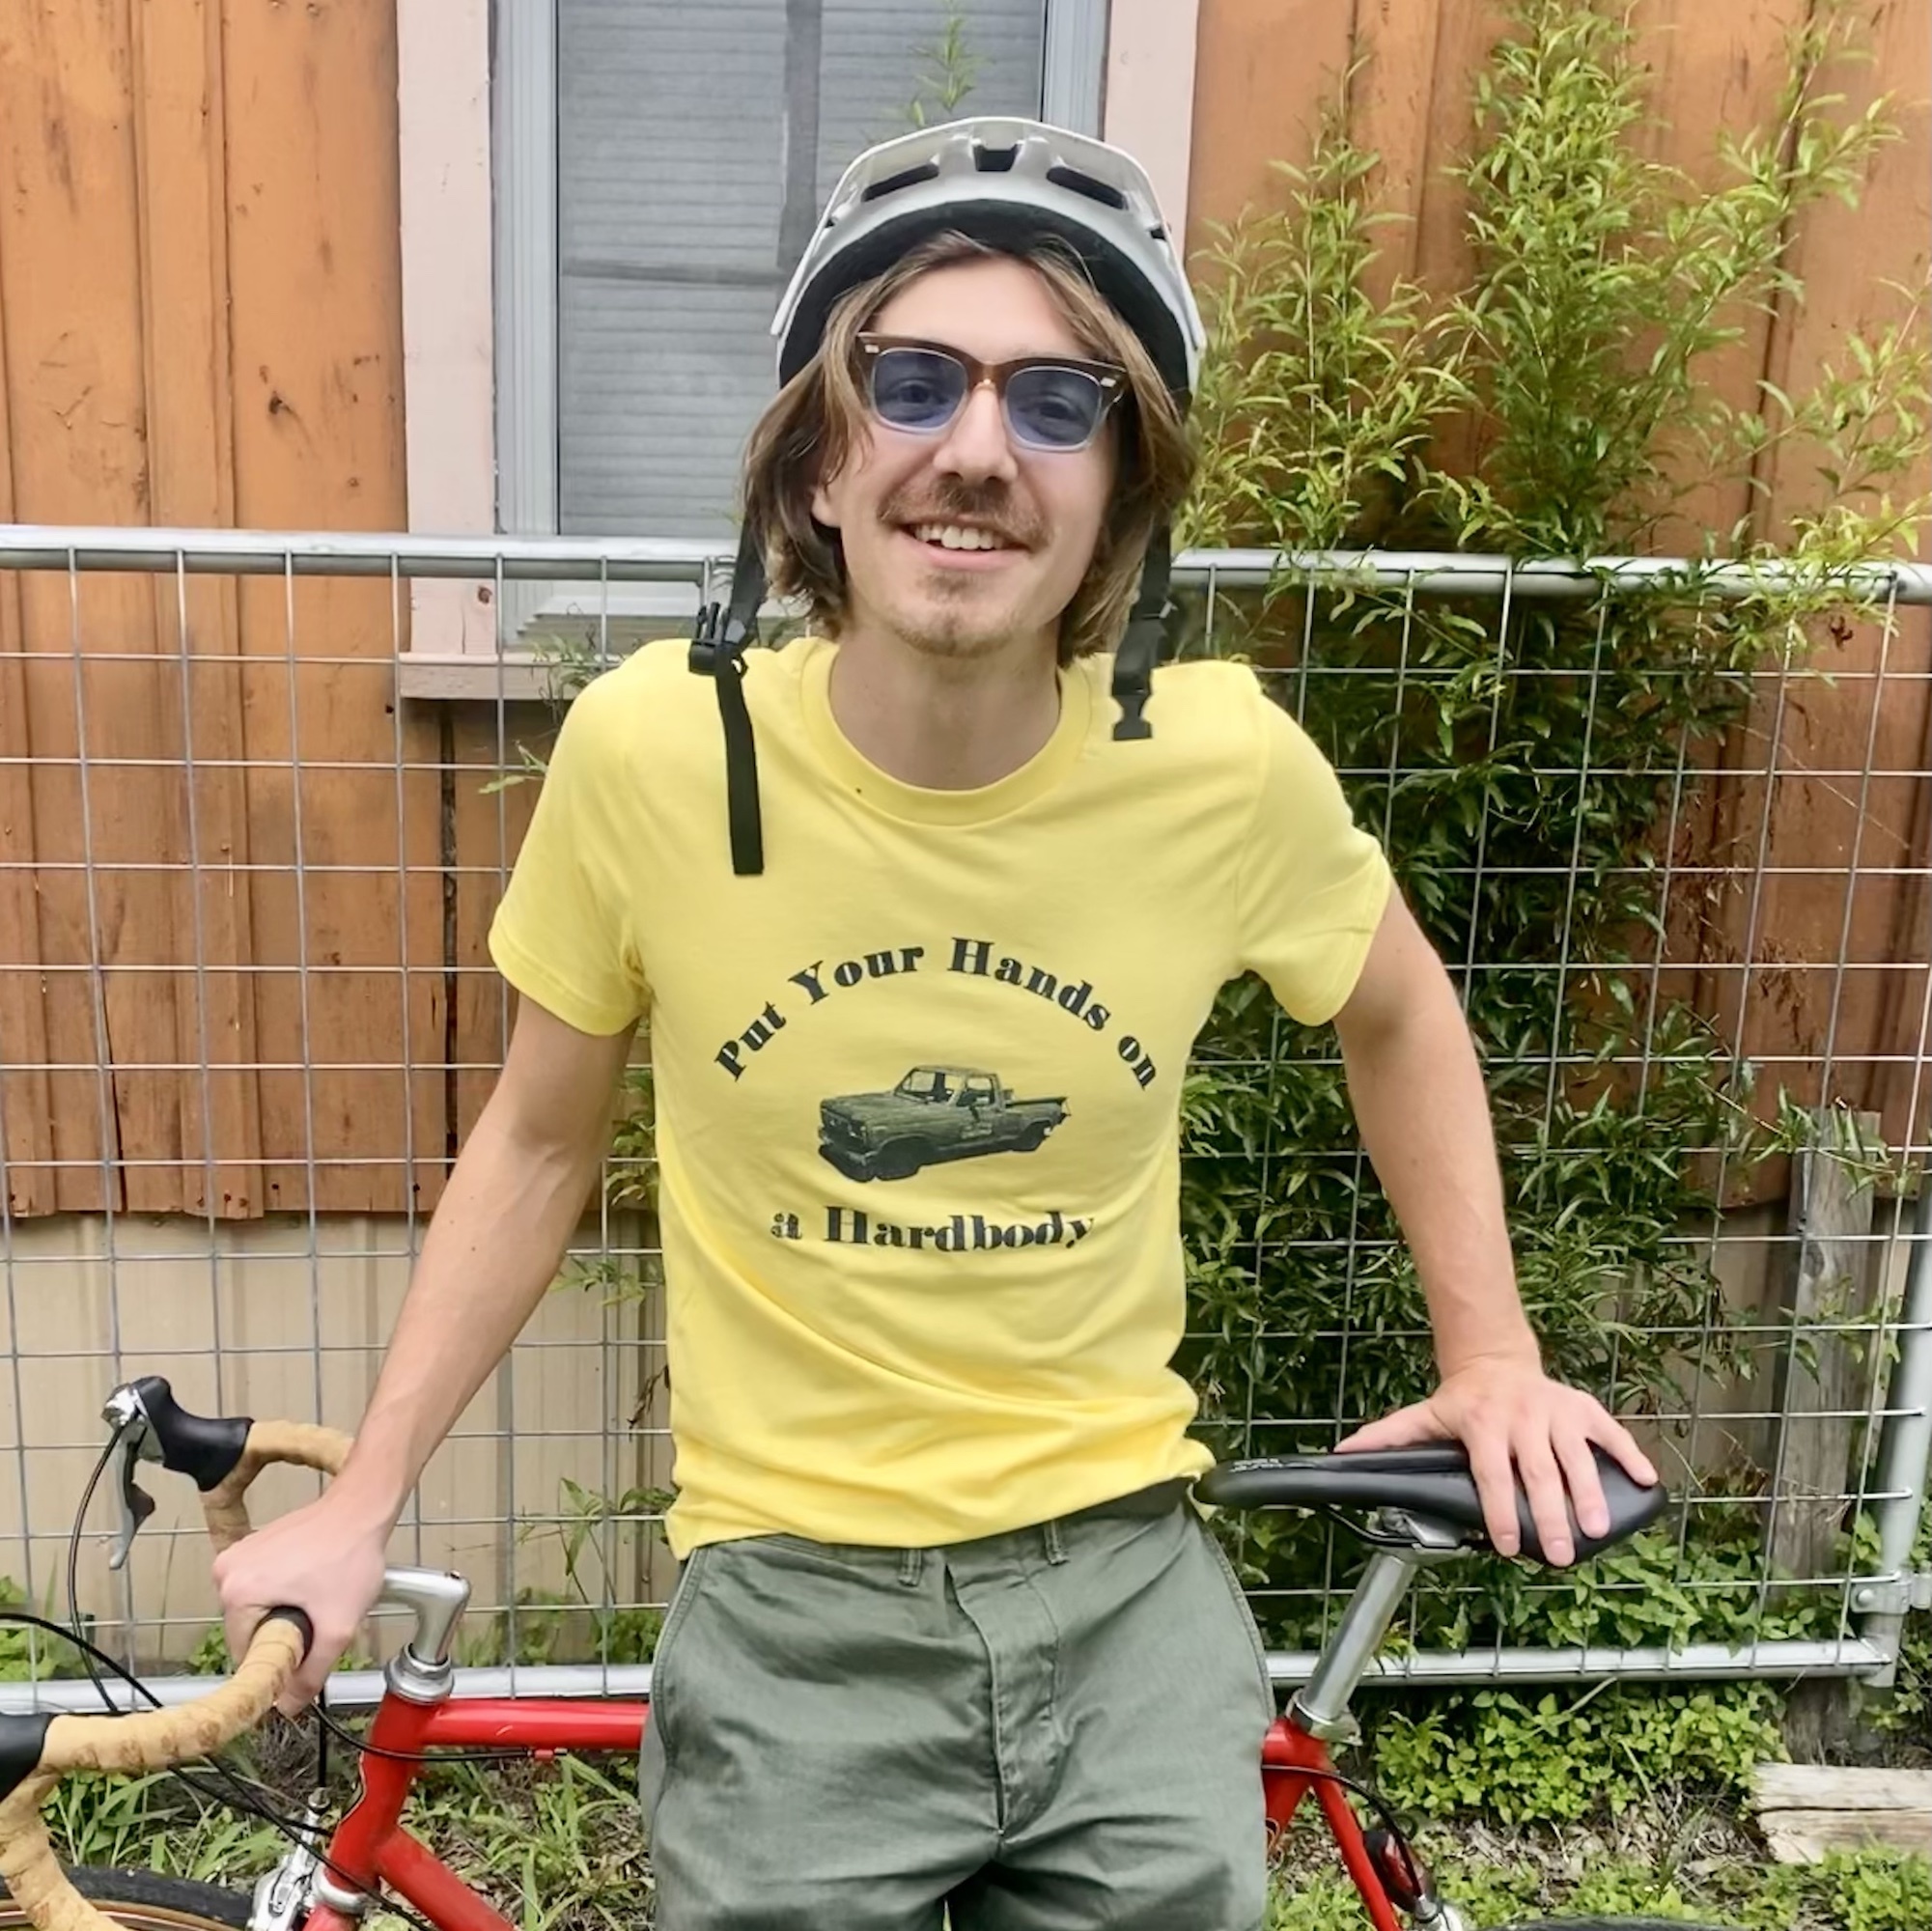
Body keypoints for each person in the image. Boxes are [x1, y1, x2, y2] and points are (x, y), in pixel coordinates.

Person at [216, 119, 1657, 1929]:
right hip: (791, 1608)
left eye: (1058, 404)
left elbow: (1398, 1008)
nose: (975, 450)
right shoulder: (656, 752)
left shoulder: (1218, 765)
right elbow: (536, 1136)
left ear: (1119, 492)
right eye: (910, 383)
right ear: (819, 460)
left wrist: (1493, 1351)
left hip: (1126, 1589)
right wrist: (369, 1492)